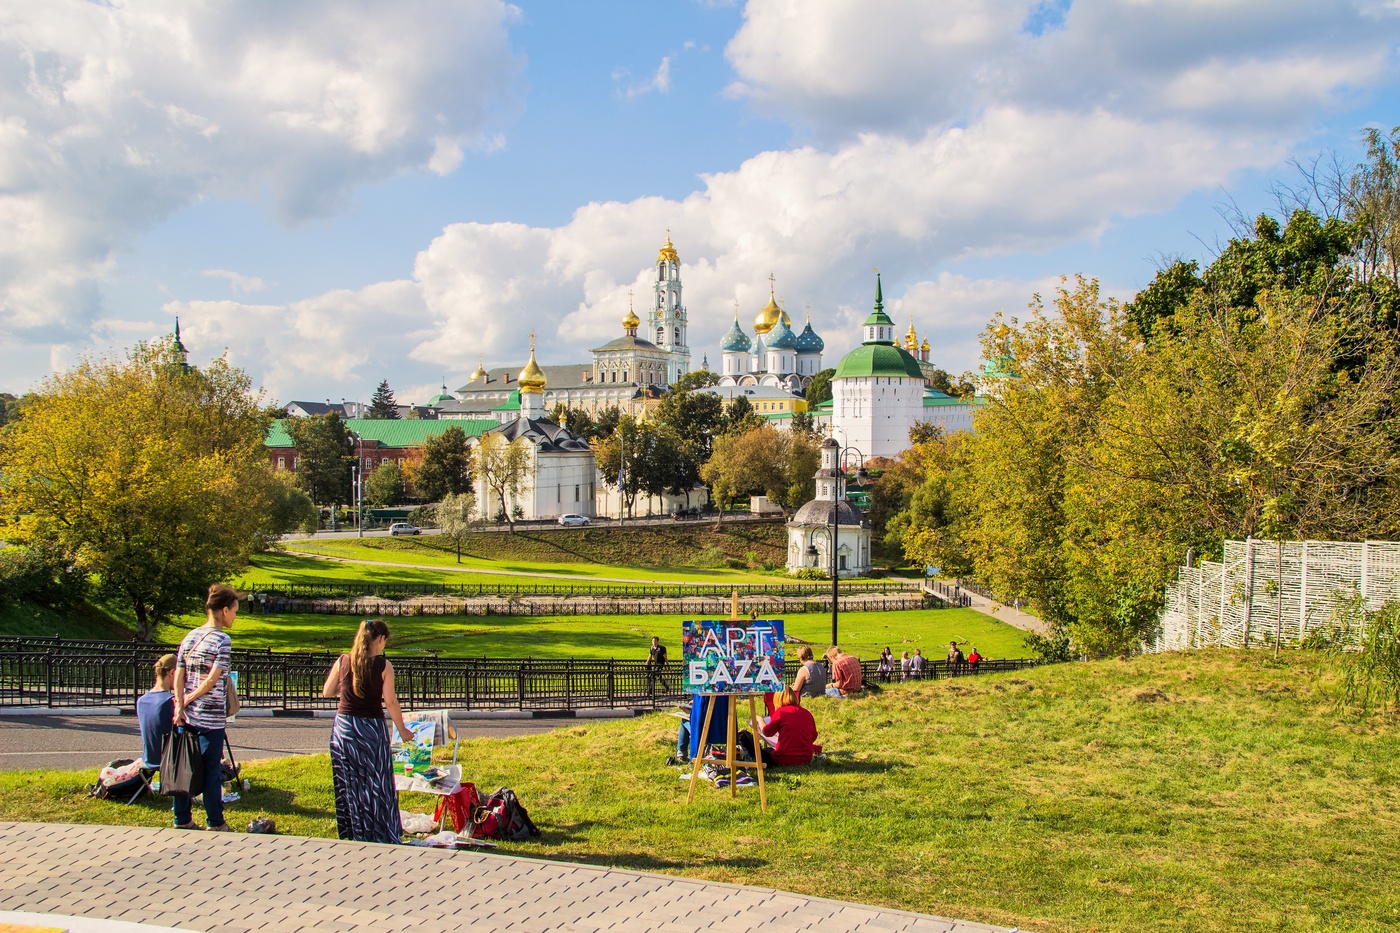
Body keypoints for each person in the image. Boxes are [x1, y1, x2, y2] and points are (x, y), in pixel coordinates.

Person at [321, 619, 415, 844]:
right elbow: (390, 702)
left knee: (350, 782)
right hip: (370, 729)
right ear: (380, 639)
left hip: (344, 729)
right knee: (376, 783)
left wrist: (347, 690)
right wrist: (402, 730)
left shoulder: (343, 661)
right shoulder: (383, 666)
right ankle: (379, 830)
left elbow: (327, 691)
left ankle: (353, 829)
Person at [172, 584, 240, 831]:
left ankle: (182, 818)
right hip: (210, 716)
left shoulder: (190, 636)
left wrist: (180, 703)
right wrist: (190, 699)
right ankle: (215, 821)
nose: (234, 616)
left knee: (184, 766)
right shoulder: (223, 639)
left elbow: (179, 674)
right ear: (223, 610)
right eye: (234, 611)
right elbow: (213, 679)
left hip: (185, 716)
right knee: (211, 770)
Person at [759, 686, 818, 767]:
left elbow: (767, 732)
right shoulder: (807, 713)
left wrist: (760, 720)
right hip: (806, 758)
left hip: (783, 758)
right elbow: (813, 736)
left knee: (765, 752)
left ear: (777, 699)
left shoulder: (780, 712)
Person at [137, 653, 176, 770]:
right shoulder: (170, 701)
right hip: (168, 760)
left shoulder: (142, 701)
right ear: (172, 673)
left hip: (148, 759)